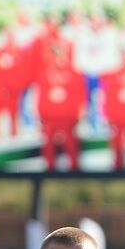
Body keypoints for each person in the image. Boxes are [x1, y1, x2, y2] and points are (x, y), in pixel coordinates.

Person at [36, 42, 87, 172]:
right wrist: (40, 114)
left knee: (71, 144)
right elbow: (40, 95)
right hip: (49, 117)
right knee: (48, 146)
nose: (56, 59)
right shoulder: (44, 73)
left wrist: (78, 114)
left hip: (67, 116)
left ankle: (75, 171)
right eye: (53, 56)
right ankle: (49, 171)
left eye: (58, 55)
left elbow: (80, 96)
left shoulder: (74, 73)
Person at [0, 30, 27, 139]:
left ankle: (14, 139)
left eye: (12, 37)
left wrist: (18, 87)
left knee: (13, 116)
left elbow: (24, 73)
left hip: (13, 90)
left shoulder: (20, 53)